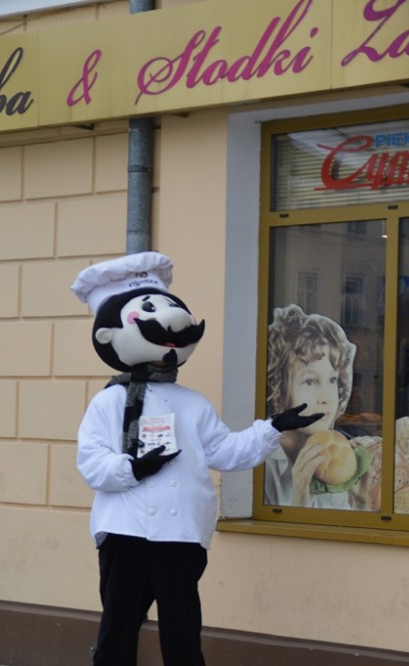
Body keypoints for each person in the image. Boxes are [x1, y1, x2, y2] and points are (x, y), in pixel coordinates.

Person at [71, 253, 320, 666]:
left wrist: (275, 426)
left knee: (183, 632)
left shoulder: (193, 404)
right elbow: (91, 462)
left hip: (181, 533)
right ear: (109, 335)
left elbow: (227, 452)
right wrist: (132, 468)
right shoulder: (109, 402)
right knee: (118, 628)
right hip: (125, 531)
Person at [264, 303, 358, 508]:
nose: (326, 398)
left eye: (332, 380)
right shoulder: (261, 460)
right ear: (280, 388)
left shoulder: (335, 458)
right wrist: (300, 497)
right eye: (310, 381)